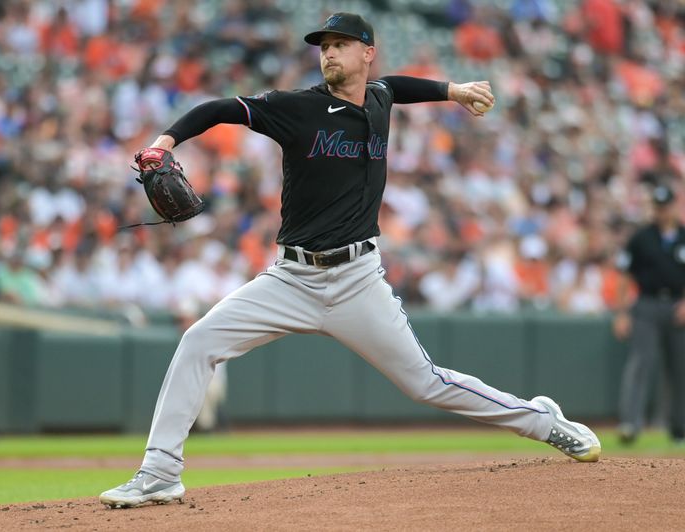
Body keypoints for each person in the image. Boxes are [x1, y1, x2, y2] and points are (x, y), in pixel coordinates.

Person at [100, 13, 601, 509]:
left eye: (341, 44)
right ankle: (160, 473)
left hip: (357, 279)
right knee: (199, 342)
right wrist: (164, 142)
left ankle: (543, 420)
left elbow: (396, 87)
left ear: (367, 53)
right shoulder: (296, 108)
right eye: (324, 46)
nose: (329, 53)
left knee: (426, 383)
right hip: (291, 278)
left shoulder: (378, 98)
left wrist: (453, 89)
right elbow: (220, 109)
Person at [614, 183, 685, 445]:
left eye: (665, 206)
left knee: (680, 368)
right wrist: (621, 313)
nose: (661, 211)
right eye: (657, 206)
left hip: (678, 306)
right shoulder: (641, 238)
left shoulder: (683, 236)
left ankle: (679, 428)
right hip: (646, 304)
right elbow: (624, 276)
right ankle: (630, 424)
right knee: (641, 363)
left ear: (673, 207)